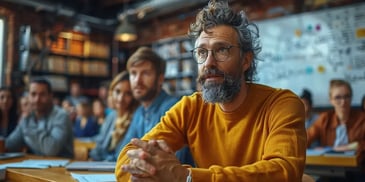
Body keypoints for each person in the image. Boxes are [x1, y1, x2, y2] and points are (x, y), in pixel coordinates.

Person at [115, 1, 306, 181]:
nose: (208, 63)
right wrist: (148, 170)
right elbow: (125, 161)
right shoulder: (190, 107)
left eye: (222, 50)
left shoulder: (281, 104)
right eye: (201, 52)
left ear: (245, 60)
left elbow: (284, 172)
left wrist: (186, 177)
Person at [115, 46, 195, 166]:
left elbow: (171, 164)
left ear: (160, 79)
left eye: (145, 73)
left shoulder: (174, 108)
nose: (137, 80)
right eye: (133, 73)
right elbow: (122, 153)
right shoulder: (139, 112)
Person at [5, 77, 74, 158]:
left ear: (50, 96)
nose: (37, 99)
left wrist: (29, 125)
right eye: (33, 94)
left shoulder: (61, 116)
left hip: (61, 167)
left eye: (42, 94)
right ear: (29, 96)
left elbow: (50, 150)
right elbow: (10, 144)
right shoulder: (28, 116)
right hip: (35, 166)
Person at [307, 79, 365, 165]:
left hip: (357, 169)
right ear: (331, 100)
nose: (343, 101)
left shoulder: (362, 118)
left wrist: (349, 147)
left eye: (347, 96)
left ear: (351, 98)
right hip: (330, 168)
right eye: (338, 97)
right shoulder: (325, 119)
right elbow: (306, 136)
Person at [89, 71, 139, 161]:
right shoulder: (112, 116)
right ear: (111, 92)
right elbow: (100, 145)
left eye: (128, 93)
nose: (121, 98)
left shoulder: (136, 118)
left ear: (134, 97)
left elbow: (122, 156)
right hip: (101, 166)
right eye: (118, 91)